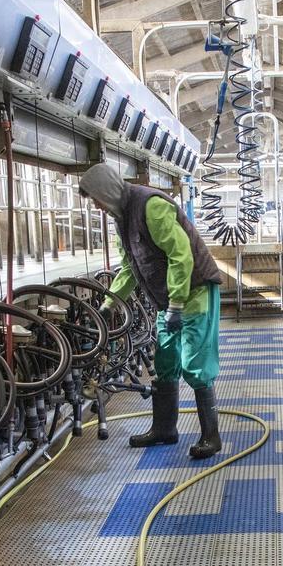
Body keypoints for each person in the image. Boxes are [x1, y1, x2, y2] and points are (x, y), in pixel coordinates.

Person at [78, 163, 224, 459]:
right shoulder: (122, 218)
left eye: (95, 198)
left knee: (195, 363)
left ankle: (211, 437)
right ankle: (165, 429)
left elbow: (181, 256)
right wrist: (109, 304)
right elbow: (130, 267)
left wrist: (177, 305)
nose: (96, 205)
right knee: (166, 361)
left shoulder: (151, 206)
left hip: (193, 294)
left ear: (106, 190)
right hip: (167, 300)